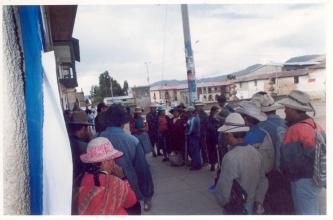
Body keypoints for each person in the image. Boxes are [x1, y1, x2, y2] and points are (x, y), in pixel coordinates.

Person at [99, 104, 154, 214]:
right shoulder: (133, 141)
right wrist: (147, 196)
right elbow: (142, 171)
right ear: (123, 122)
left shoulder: (97, 140)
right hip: (129, 194)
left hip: (103, 196)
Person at [278, 90, 325, 215]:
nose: (284, 110)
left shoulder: (294, 130)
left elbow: (289, 163)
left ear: (294, 109)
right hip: (316, 178)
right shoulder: (315, 125)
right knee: (313, 210)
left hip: (302, 181)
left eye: (286, 107)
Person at [215, 113, 268, 214]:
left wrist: (223, 202)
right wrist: (259, 200)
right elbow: (263, 180)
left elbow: (224, 189)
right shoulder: (255, 152)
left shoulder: (230, 157)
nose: (225, 137)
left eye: (225, 134)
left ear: (230, 134)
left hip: (236, 207)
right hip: (251, 204)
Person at [251, 92, 293, 214]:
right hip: (286, 172)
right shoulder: (286, 124)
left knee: (271, 204)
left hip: (269, 173)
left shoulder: (259, 127)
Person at [75, 137, 137, 215]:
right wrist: (123, 178)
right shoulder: (115, 182)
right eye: (112, 159)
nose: (114, 162)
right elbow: (131, 201)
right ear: (105, 161)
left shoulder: (81, 179)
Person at [67, 111, 93, 183]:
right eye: (87, 128)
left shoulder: (65, 143)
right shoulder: (84, 147)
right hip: (80, 185)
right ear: (82, 128)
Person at [185, 106, 202, 170]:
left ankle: (196, 165)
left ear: (190, 112)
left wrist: (187, 133)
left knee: (194, 151)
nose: (187, 113)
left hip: (193, 137)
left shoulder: (193, 119)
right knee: (195, 151)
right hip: (194, 137)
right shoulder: (193, 118)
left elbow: (191, 129)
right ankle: (197, 164)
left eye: (188, 112)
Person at [194, 101, 209, 165]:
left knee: (203, 148)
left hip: (203, 134)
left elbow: (207, 125)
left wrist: (205, 133)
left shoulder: (204, 115)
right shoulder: (195, 114)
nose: (197, 107)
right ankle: (199, 161)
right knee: (197, 148)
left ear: (201, 106)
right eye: (196, 106)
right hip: (197, 134)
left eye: (199, 106)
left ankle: (205, 161)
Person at [206, 106, 220, 171]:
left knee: (217, 152)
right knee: (211, 151)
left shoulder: (217, 118)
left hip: (216, 137)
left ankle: (217, 164)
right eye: (216, 111)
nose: (217, 113)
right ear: (213, 111)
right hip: (210, 138)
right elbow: (209, 127)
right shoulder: (209, 118)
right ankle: (212, 164)